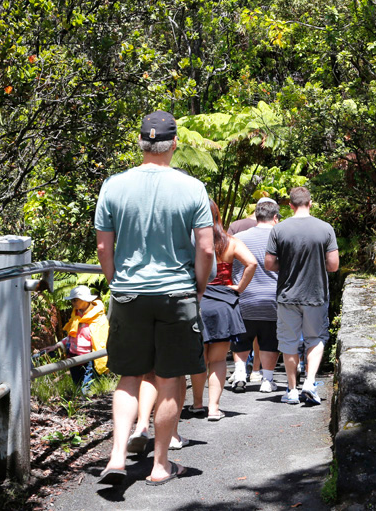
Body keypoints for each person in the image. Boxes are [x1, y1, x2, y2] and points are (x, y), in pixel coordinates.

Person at [95, 110, 213, 485]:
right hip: (175, 292)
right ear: (174, 144)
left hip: (128, 293)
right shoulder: (192, 188)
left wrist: (118, 281)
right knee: (168, 378)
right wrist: (198, 286)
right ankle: (160, 465)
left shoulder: (113, 186)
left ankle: (116, 456)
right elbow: (206, 250)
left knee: (129, 376)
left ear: (141, 143)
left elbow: (103, 247)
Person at [265, 186, 339, 404]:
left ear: (290, 205)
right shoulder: (325, 228)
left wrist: (287, 265)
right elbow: (333, 266)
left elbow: (269, 264)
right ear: (310, 203)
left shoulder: (279, 230)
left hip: (287, 296)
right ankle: (310, 382)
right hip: (315, 295)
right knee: (315, 339)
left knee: (288, 342)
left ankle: (292, 390)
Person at [198, 200, 257, 420]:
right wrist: (239, 287)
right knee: (218, 359)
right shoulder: (230, 242)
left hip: (200, 301)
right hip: (223, 301)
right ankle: (213, 408)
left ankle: (196, 404)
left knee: (199, 357)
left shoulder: (193, 243)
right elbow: (251, 263)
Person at [229, 198, 282, 393]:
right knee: (269, 340)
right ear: (275, 217)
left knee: (242, 338)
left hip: (244, 296)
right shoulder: (280, 237)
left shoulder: (238, 237)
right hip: (273, 298)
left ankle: (240, 375)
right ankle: (267, 380)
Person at [36, 285, 109, 395]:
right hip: (73, 357)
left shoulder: (98, 318)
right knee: (78, 388)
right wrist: (57, 345)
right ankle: (80, 409)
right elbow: (72, 336)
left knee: (86, 390)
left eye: (75, 300)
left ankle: (86, 408)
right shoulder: (76, 315)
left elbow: (102, 340)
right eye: (72, 300)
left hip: (90, 359)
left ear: (85, 300)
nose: (73, 303)